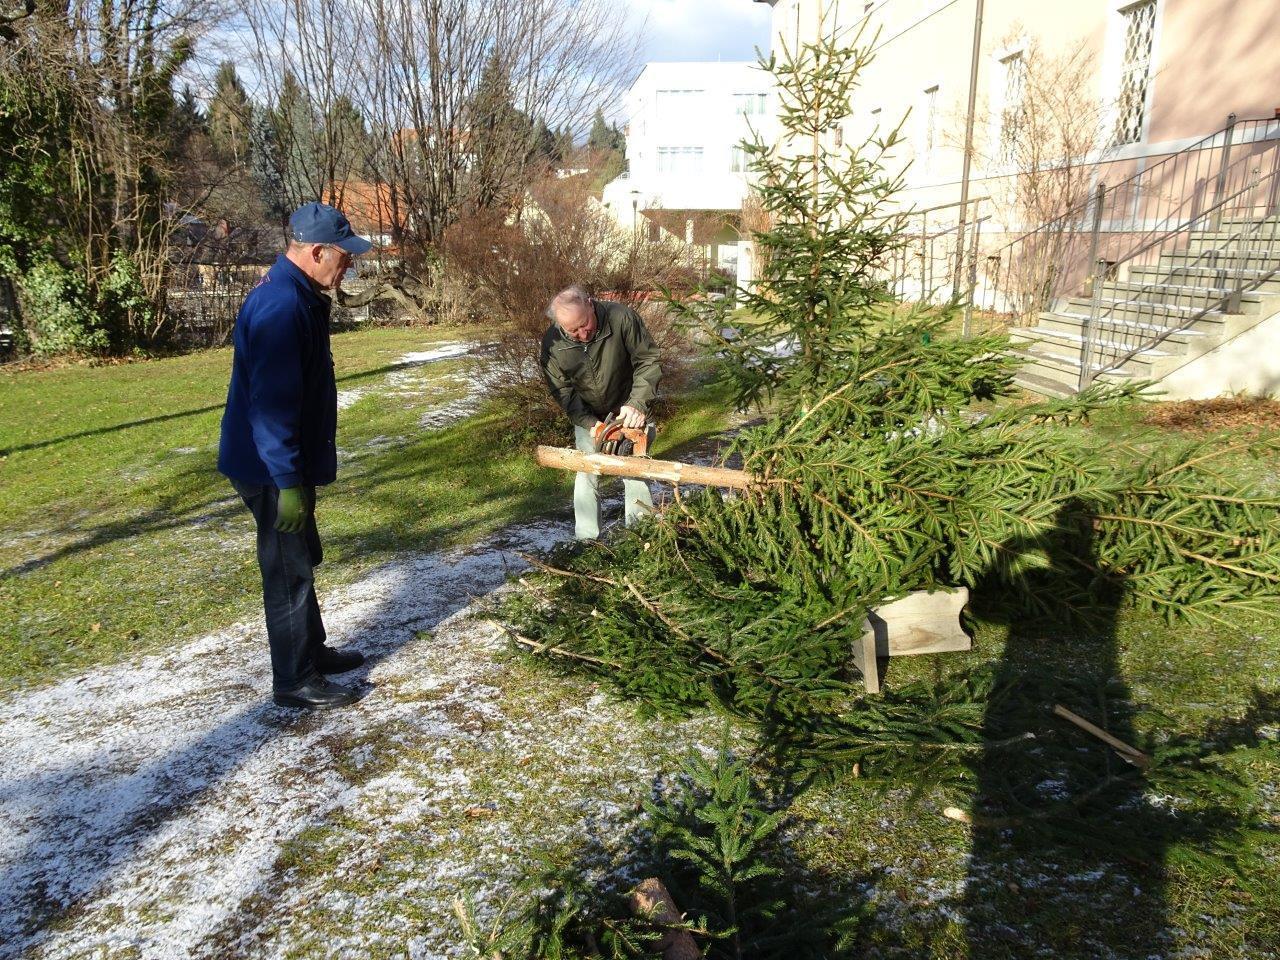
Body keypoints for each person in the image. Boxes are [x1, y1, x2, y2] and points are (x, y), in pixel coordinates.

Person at [217, 202, 372, 709]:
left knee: (302, 554)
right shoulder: (282, 306)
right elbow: (270, 408)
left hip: (282, 459)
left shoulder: (298, 294)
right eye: (344, 256)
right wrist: (286, 481)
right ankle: (294, 678)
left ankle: (312, 651)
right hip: (268, 465)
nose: (349, 265)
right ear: (317, 251)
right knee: (288, 568)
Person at [540, 284, 662, 540]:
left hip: (631, 410)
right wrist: (589, 422)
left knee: (635, 472)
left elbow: (648, 360)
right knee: (587, 472)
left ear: (590, 304)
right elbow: (562, 390)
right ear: (560, 326)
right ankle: (587, 541)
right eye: (573, 331)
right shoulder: (553, 343)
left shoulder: (621, 318)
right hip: (590, 416)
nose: (583, 334)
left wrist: (638, 403)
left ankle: (642, 537)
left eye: (585, 324)